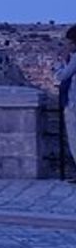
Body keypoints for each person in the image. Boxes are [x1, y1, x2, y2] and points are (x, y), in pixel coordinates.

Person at [57, 26, 76, 175]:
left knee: (74, 139)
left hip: (73, 104)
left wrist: (63, 62)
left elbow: (61, 76)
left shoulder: (75, 59)